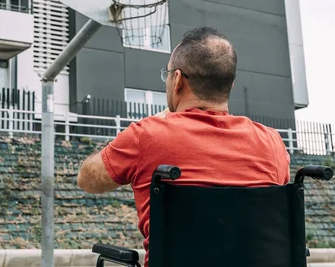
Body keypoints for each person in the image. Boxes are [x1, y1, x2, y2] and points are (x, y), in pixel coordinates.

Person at [77, 27, 290, 266]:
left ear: (177, 80)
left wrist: (156, 123)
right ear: (230, 85)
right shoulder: (272, 143)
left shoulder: (147, 135)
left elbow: (88, 180)